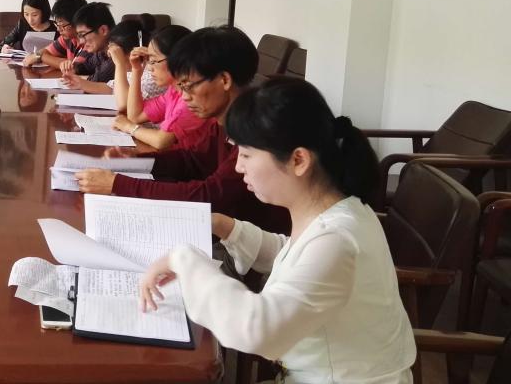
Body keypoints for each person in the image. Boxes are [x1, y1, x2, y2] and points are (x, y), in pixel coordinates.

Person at [139, 78, 415, 383]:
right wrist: (226, 226)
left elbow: (257, 330)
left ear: (298, 160)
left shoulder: (337, 238)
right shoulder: (340, 210)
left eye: (246, 154)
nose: (239, 166)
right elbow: (295, 254)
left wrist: (184, 259)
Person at [75, 26, 290, 234]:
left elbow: (209, 195)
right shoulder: (221, 122)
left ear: (224, 80)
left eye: (189, 86)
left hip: (248, 246)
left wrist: (118, 184)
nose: (185, 97)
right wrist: (133, 162)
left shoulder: (254, 131)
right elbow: (190, 161)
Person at [110, 24, 213, 151]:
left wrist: (129, 127)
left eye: (153, 61)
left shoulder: (192, 99)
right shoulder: (173, 91)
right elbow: (135, 116)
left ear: (177, 60)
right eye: (148, 60)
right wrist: (136, 70)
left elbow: (161, 141)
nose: (149, 67)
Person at [21, 0, 87, 68]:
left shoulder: (89, 43)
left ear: (77, 22)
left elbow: (74, 67)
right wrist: (39, 55)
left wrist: (39, 57)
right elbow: (46, 51)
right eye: (57, 24)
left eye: (62, 25)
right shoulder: (67, 38)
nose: (58, 29)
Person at [61, 2, 116, 87]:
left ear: (103, 30)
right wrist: (72, 68)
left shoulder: (119, 51)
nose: (81, 41)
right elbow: (85, 66)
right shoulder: (102, 52)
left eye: (82, 35)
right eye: (79, 36)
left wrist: (77, 78)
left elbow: (96, 80)